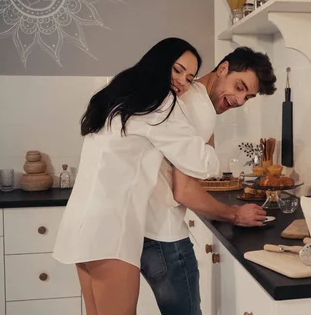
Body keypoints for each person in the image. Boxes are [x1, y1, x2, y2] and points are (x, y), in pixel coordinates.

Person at [52, 38, 225, 315]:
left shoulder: (119, 95)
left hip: (80, 228)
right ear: (159, 62)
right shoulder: (160, 104)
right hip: (110, 234)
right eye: (178, 70)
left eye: (190, 78)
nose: (182, 81)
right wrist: (208, 133)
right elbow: (202, 164)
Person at [140, 47, 277, 315]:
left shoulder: (187, 98)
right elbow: (185, 191)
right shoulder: (199, 107)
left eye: (247, 97)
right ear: (223, 68)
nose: (239, 100)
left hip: (144, 230)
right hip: (165, 235)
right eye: (239, 87)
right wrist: (235, 215)